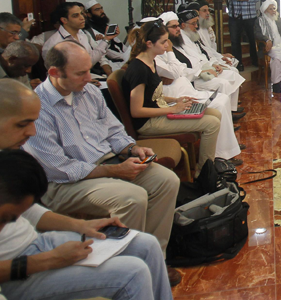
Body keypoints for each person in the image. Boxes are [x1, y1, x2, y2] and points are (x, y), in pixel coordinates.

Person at [22, 41, 181, 261]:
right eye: (80, 73)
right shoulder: (38, 107)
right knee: (132, 198)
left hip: (107, 163)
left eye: (89, 70)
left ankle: (154, 256)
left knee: (166, 181)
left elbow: (114, 131)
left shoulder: (88, 91)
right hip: (63, 183)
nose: (89, 78)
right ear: (54, 72)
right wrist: (113, 171)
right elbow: (59, 168)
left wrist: (132, 148)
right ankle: (127, 264)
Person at [0, 149, 174, 299]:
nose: (31, 131)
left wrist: (81, 225)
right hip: (15, 272)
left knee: (147, 244)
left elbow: (28, 211)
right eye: (22, 124)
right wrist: (48, 260)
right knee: (133, 273)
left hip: (36, 242)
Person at [124, 20, 224, 174]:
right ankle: (204, 172)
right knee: (211, 124)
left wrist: (175, 100)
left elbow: (152, 96)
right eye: (164, 42)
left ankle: (207, 165)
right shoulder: (139, 69)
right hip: (149, 123)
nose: (167, 45)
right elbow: (136, 111)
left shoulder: (150, 62)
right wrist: (174, 109)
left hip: (159, 112)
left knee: (215, 114)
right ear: (149, 44)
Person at [153, 13, 243, 164]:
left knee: (222, 97)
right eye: (174, 27)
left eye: (177, 26)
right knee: (220, 100)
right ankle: (219, 156)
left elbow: (183, 67)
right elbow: (175, 72)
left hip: (185, 87)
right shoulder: (159, 53)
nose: (178, 30)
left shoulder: (177, 43)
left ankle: (225, 150)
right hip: (181, 91)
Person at [169, 10, 246, 112]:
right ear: (184, 25)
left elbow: (203, 54)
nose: (196, 26)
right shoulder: (178, 41)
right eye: (193, 23)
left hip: (202, 69)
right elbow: (188, 64)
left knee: (233, 73)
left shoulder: (188, 36)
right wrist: (205, 69)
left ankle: (232, 108)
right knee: (224, 83)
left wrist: (213, 64)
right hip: (194, 77)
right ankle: (229, 111)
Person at [42, 2, 118, 76]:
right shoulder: (54, 43)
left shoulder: (83, 34)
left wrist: (107, 39)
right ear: (64, 20)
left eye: (81, 13)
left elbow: (89, 60)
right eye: (75, 16)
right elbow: (56, 74)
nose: (82, 18)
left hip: (86, 76)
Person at [218, 0, 260, 70]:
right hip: (234, 15)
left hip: (250, 15)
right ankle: (238, 64)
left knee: (252, 39)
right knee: (235, 41)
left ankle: (255, 61)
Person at [184, 0, 240, 68]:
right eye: (204, 11)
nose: (208, 13)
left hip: (212, 57)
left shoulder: (207, 26)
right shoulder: (194, 30)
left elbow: (209, 48)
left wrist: (221, 55)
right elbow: (203, 51)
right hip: (204, 61)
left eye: (208, 10)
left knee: (232, 61)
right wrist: (219, 58)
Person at [84, 0, 127, 65]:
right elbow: (108, 52)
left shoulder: (104, 26)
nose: (102, 11)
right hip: (113, 62)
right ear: (89, 14)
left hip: (123, 57)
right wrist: (126, 57)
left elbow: (119, 44)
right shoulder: (90, 31)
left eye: (101, 8)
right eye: (97, 10)